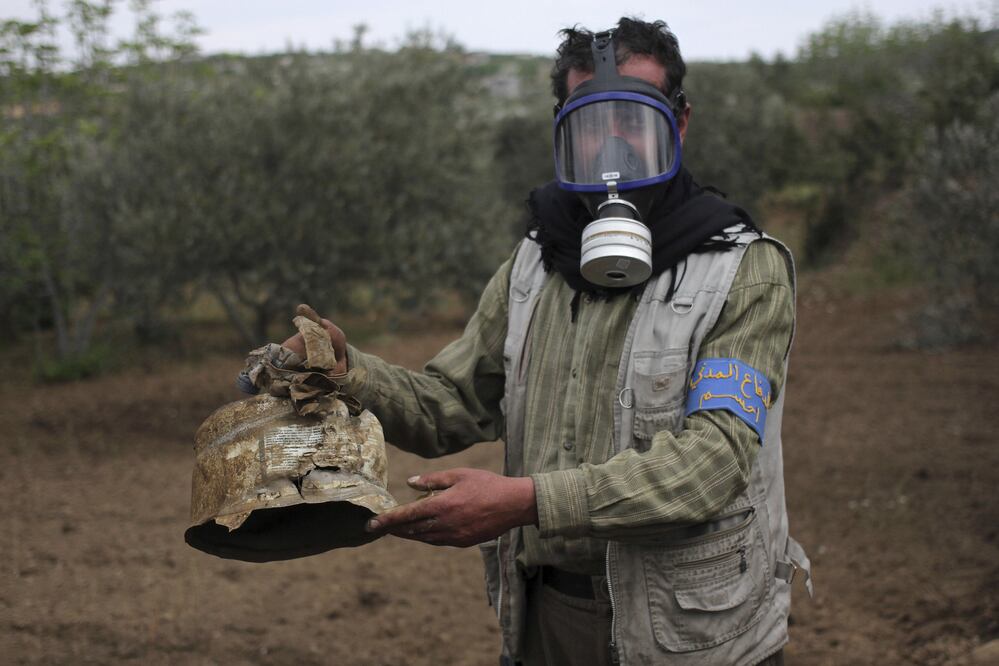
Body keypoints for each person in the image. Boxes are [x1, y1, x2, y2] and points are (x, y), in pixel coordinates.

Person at [283, 17, 809, 666]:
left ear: (678, 122)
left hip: (692, 637)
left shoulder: (741, 268)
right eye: (592, 120)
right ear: (564, 130)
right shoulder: (537, 258)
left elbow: (714, 463)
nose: (614, 140)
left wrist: (528, 502)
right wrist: (347, 371)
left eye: (635, 116)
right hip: (545, 621)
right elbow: (453, 402)